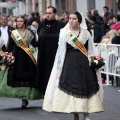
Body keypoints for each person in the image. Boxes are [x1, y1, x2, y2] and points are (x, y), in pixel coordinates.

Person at [43, 11, 104, 120]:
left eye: (74, 19)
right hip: (70, 62)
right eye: (70, 18)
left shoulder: (86, 33)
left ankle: (86, 114)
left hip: (84, 63)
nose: (71, 20)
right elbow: (61, 51)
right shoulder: (64, 32)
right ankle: (75, 114)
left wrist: (95, 61)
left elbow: (90, 49)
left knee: (85, 87)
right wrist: (59, 67)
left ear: (79, 21)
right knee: (72, 87)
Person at [0, 16, 43, 109]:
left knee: (28, 78)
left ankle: (25, 97)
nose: (19, 23)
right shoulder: (13, 33)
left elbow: (34, 44)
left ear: (24, 22)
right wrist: (7, 57)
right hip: (16, 57)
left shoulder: (30, 32)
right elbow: (10, 46)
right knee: (15, 77)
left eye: (21, 21)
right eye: (18, 21)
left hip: (27, 57)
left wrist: (43, 39)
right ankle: (20, 97)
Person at [35, 6, 65, 93]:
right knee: (45, 77)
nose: (47, 15)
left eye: (50, 13)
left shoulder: (61, 25)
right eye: (46, 13)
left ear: (54, 14)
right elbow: (39, 40)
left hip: (56, 55)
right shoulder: (41, 26)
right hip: (44, 55)